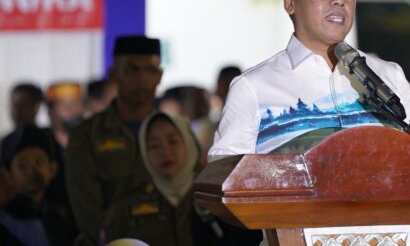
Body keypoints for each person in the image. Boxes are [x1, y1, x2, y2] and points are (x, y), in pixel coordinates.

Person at [209, 0, 410, 158]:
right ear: (290, 2)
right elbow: (226, 173)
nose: (339, 0)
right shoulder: (252, 88)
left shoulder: (389, 77)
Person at [101, 111, 261, 246]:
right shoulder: (124, 209)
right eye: (154, 145)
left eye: (173, 141)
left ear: (188, 143)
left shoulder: (217, 198)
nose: (165, 151)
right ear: (144, 152)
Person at [65, 35, 163, 245]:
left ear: (160, 76)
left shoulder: (176, 132)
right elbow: (87, 213)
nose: (141, 79)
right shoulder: (87, 135)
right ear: (113, 74)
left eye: (150, 70)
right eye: (132, 70)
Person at [0, 125, 77, 245]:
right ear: (8, 174)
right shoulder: (4, 221)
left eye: (39, 162)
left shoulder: (62, 217)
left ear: (53, 169)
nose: (32, 171)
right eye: (23, 166)